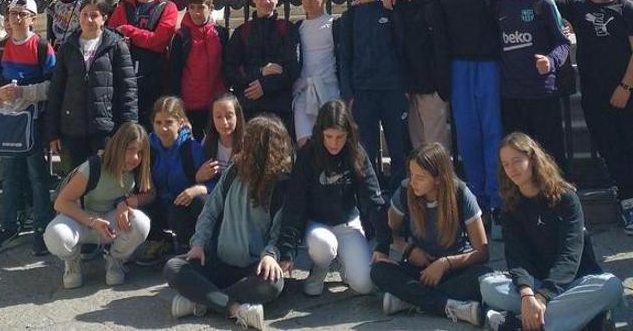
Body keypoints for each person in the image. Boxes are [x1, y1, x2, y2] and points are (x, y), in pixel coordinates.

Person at [480, 132, 624, 331]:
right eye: (505, 164)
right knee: (488, 286)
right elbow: (517, 256)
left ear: (532, 158)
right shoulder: (511, 206)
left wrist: (543, 296)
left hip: (573, 282)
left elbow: (570, 255)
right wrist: (527, 294)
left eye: (516, 161)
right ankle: (572, 319)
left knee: (612, 286)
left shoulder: (565, 198)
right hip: (535, 284)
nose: (511, 169)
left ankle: (520, 324)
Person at [164, 114, 292, 329]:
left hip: (253, 268)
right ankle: (234, 308)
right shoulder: (234, 171)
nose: (248, 148)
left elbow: (279, 232)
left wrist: (270, 256)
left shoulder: (281, 185)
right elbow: (209, 212)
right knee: (173, 267)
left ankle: (201, 300)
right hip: (219, 261)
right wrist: (198, 243)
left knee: (274, 284)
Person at [542, 0, 633, 234]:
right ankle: (628, 202)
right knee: (610, 147)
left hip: (626, 89)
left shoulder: (626, 8)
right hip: (594, 92)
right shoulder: (577, 6)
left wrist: (626, 87)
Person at [423, 0, 503, 226]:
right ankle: (477, 199)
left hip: (488, 63)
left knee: (492, 131)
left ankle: (496, 200)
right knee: (468, 134)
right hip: (457, 65)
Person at [277, 99, 389, 297]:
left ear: (349, 134)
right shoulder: (307, 155)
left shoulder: (356, 153)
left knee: (364, 285)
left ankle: (345, 265)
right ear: (320, 133)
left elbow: (373, 198)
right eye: (328, 136)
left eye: (340, 137)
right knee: (324, 246)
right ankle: (320, 268)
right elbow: (294, 202)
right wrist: (286, 250)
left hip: (348, 223)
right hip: (317, 225)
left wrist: (383, 243)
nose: (334, 143)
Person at [370, 142, 490, 327]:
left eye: (420, 177)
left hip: (454, 268)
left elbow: (482, 252)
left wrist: (445, 264)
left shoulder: (461, 194)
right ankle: (448, 306)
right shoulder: (404, 192)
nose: (412, 181)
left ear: (438, 179)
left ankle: (410, 300)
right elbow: (391, 230)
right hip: (421, 268)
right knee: (379, 271)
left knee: (484, 277)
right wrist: (408, 250)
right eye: (411, 174)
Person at [0, 0, 55, 256]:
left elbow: (52, 86)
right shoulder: (1, 48)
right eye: (13, 14)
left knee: (37, 176)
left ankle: (42, 228)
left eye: (23, 15)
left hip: (32, 121)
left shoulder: (43, 47)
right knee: (10, 175)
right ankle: (9, 226)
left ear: (33, 19)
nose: (18, 18)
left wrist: (23, 92)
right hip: (7, 121)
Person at [44, 121, 154, 288]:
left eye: (140, 152)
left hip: (110, 224)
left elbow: (150, 194)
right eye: (130, 150)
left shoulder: (137, 168)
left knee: (141, 223)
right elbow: (61, 203)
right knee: (55, 235)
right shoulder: (94, 167)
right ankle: (73, 261)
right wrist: (92, 221)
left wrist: (128, 202)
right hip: (81, 221)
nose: (135, 158)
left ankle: (116, 259)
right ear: (118, 147)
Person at [494, 0, 570, 173]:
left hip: (542, 90)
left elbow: (563, 43)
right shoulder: (497, 8)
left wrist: (551, 60)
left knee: (550, 152)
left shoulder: (541, 4)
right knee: (518, 154)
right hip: (512, 93)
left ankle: (558, 197)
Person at [338, 0, 408, 191]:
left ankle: (400, 193)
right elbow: (344, 58)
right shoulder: (349, 18)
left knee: (399, 146)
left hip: (392, 89)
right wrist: (348, 94)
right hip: (363, 92)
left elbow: (401, 48)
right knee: (365, 148)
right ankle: (371, 194)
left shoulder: (390, 9)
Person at [45, 0, 137, 171]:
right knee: (74, 181)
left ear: (104, 18)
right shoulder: (68, 47)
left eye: (94, 15)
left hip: (105, 128)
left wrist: (128, 129)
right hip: (72, 128)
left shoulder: (116, 46)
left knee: (104, 179)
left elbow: (128, 91)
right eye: (84, 14)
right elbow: (56, 90)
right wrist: (52, 131)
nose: (88, 19)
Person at [108, 0, 179, 125]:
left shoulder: (168, 7)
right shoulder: (123, 6)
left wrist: (127, 30)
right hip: (125, 78)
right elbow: (110, 36)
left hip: (156, 80)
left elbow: (157, 42)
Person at [389, 0, 451, 150]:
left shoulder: (431, 6)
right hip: (408, 84)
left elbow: (441, 46)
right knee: (417, 141)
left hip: (431, 84)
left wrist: (441, 83)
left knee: (435, 142)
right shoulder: (396, 5)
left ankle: (441, 179)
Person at [139, 95, 209, 265]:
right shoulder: (147, 147)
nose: (163, 128)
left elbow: (210, 184)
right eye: (158, 123)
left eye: (169, 122)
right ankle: (160, 241)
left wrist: (197, 189)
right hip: (157, 202)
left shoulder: (191, 149)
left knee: (195, 203)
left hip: (181, 207)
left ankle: (190, 243)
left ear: (180, 122)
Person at [224, 0, 299, 131]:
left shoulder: (287, 29)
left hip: (279, 108)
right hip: (249, 106)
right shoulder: (241, 32)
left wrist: (265, 86)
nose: (266, 1)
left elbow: (292, 68)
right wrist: (260, 72)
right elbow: (230, 70)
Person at [168, 0, 228, 138]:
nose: (196, 13)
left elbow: (226, 66)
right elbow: (174, 72)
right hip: (190, 103)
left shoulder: (221, 33)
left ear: (211, 8)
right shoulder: (182, 36)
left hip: (215, 102)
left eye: (201, 8)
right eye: (192, 8)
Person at [291, 0, 341, 146]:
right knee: (304, 142)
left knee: (330, 141)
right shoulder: (298, 27)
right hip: (304, 91)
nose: (308, 1)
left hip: (329, 90)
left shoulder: (334, 25)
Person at [200, 93, 246, 182]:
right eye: (218, 117)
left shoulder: (248, 143)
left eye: (229, 116)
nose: (224, 122)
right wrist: (199, 177)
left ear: (238, 116)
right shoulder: (206, 142)